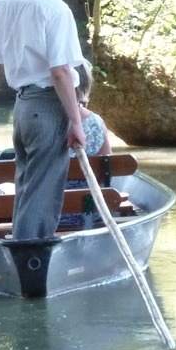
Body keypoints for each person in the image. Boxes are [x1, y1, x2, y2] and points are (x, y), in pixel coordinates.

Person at [0, 0, 87, 239]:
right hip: (48, 106)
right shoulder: (56, 9)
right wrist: (76, 120)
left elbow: (1, 63)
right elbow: (61, 72)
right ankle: (30, 257)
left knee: (28, 184)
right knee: (43, 191)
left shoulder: (2, 5)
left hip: (23, 105)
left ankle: (22, 252)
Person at [59, 60, 113, 229]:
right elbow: (107, 169)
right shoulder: (96, 122)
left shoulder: (45, 124)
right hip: (89, 213)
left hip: (51, 214)